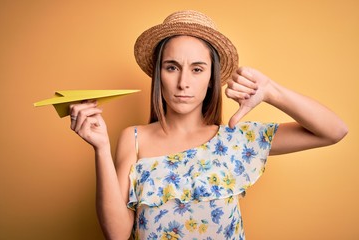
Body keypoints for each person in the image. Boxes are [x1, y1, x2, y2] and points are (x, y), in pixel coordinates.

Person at [69, 10, 348, 240]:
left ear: (212, 78)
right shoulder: (134, 138)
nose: (183, 82)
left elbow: (334, 131)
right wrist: (101, 148)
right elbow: (116, 234)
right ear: (159, 74)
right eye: (172, 67)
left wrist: (272, 91)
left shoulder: (237, 141)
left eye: (197, 69)